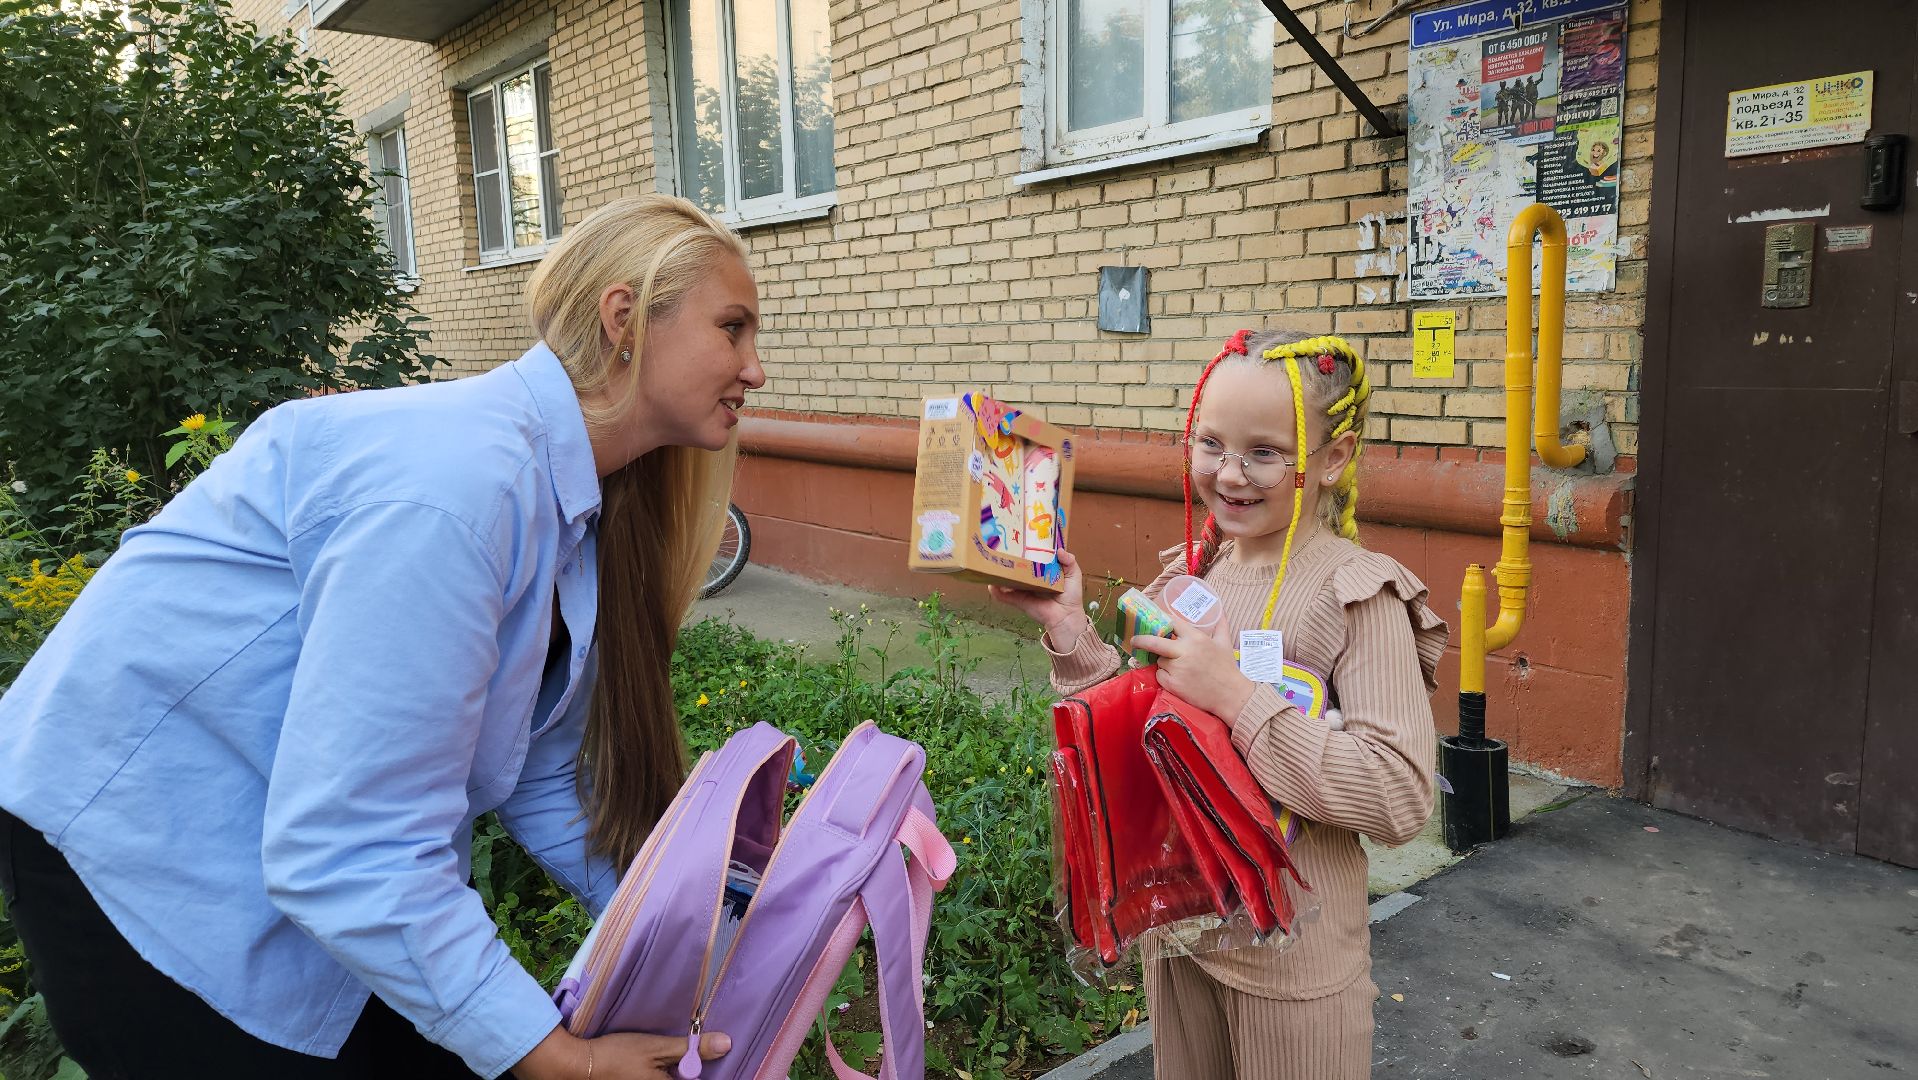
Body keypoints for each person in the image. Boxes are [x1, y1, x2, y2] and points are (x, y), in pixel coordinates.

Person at [0, 194, 765, 1079]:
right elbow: (349, 848)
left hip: (299, 836)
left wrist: (688, 923)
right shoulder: (459, 492)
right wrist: (553, 1057)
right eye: (734, 327)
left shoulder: (569, 508)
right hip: (140, 846)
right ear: (625, 319)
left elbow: (543, 770)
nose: (756, 367)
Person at [992, 328, 1446, 1079]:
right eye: (1211, 444)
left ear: (1332, 459)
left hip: (1299, 975)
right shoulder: (1191, 575)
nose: (1230, 475)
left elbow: (1399, 795)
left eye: (1264, 452)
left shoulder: (1359, 593)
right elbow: (1142, 736)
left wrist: (1236, 696)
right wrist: (1069, 629)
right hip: (1182, 943)